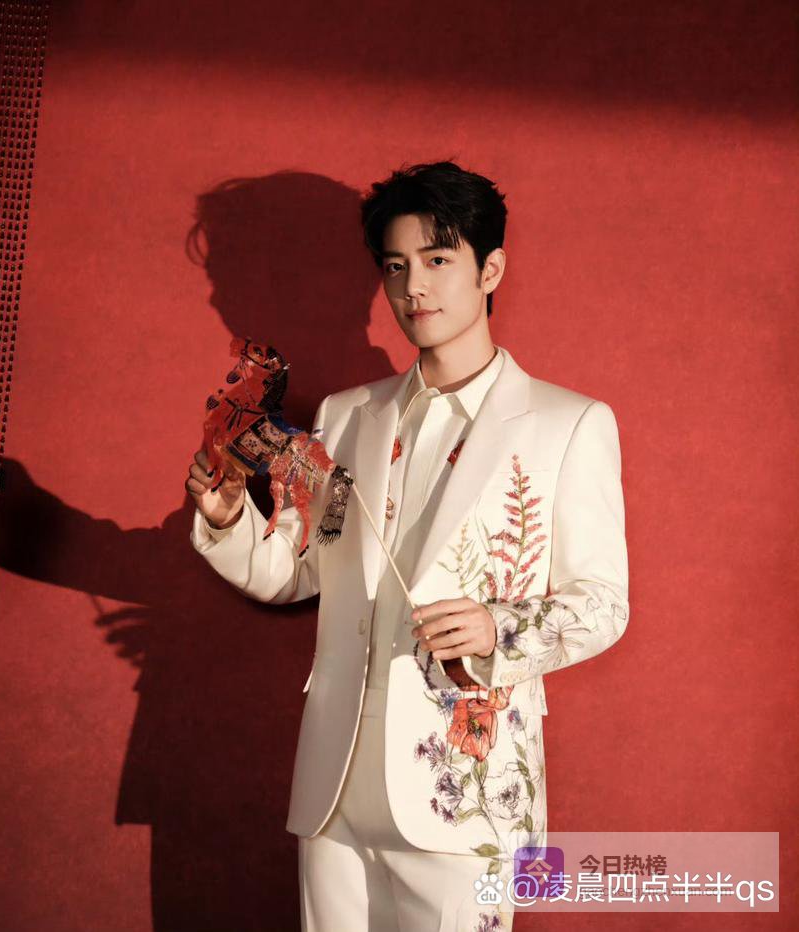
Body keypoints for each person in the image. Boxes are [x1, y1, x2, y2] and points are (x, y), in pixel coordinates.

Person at [185, 160, 629, 931]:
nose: (413, 287)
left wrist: (498, 628)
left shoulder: (570, 424)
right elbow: (296, 571)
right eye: (395, 267)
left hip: (466, 795)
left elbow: (604, 604)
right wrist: (229, 518)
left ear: (491, 270)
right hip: (335, 791)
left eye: (437, 259)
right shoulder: (346, 417)